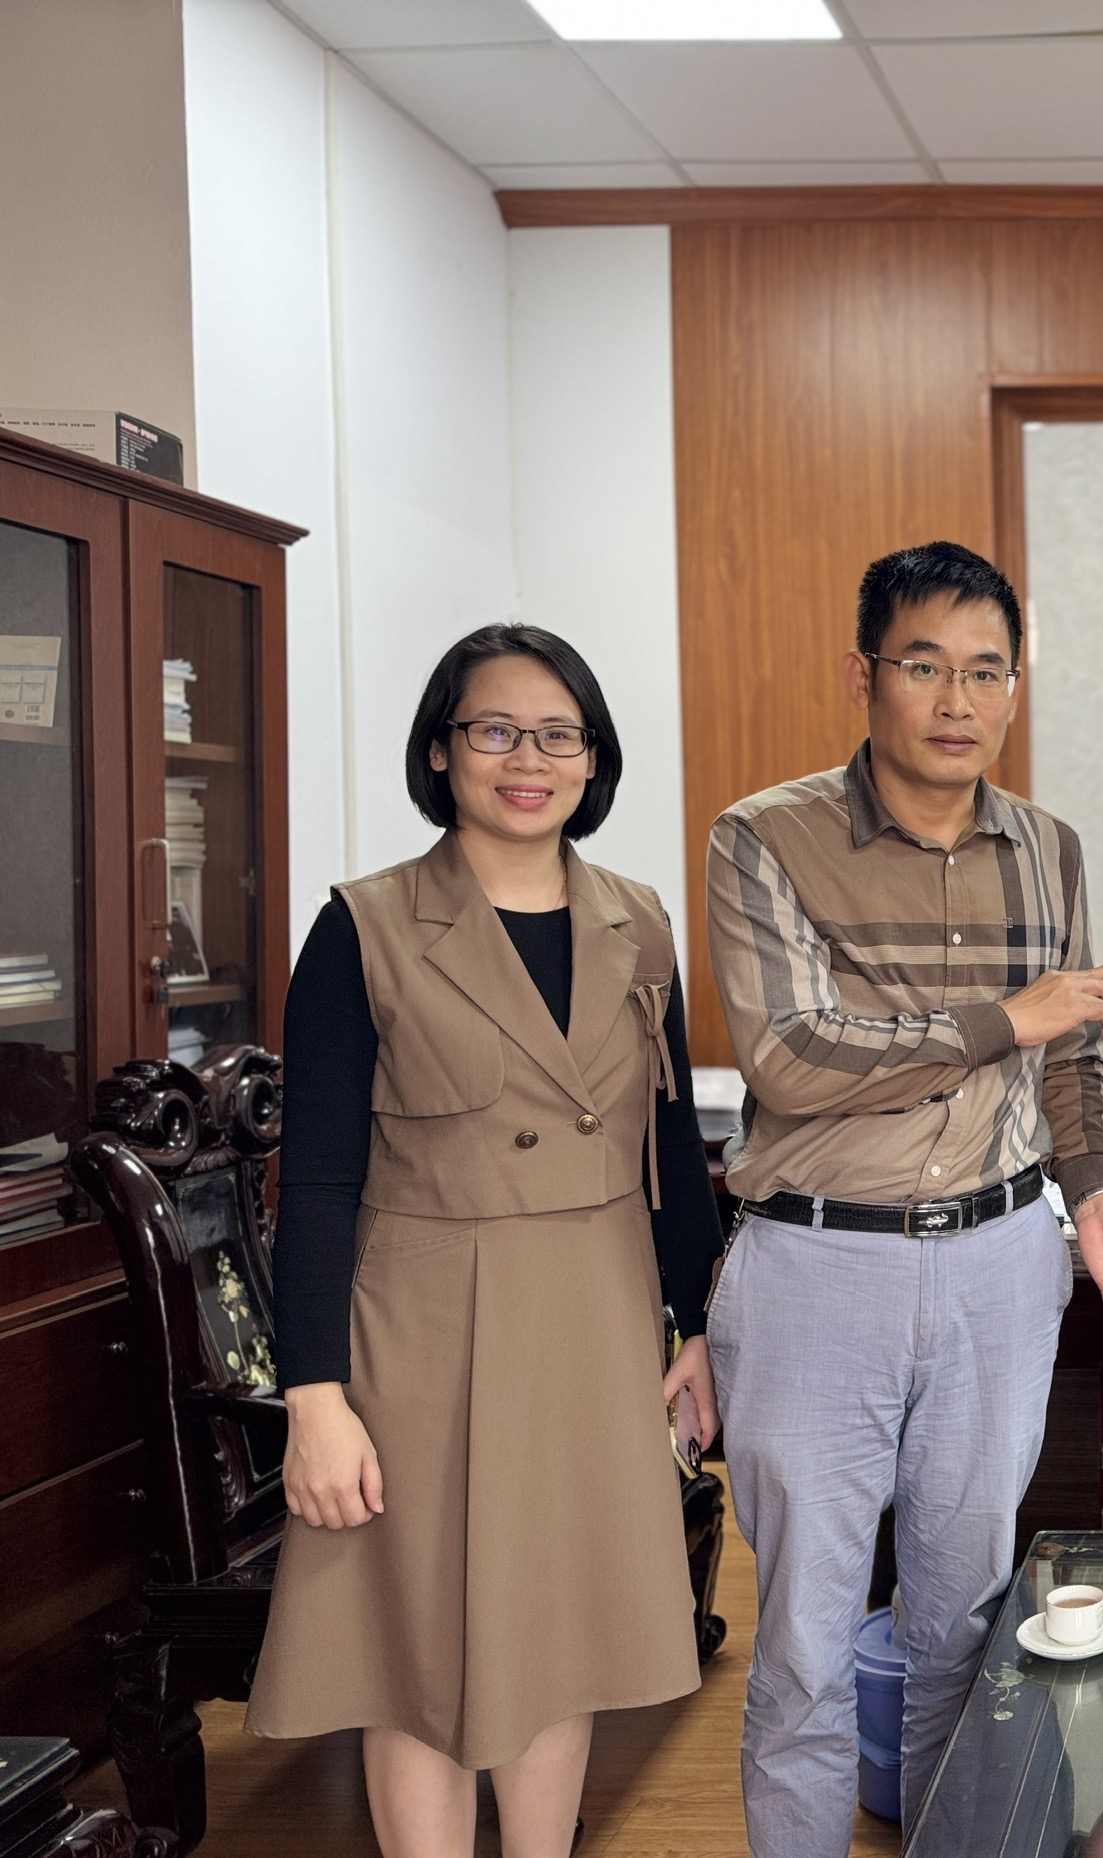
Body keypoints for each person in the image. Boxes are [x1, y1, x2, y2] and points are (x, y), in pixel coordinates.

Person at [704, 540, 1103, 1854]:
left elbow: (1071, 1059)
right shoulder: (765, 835)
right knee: (803, 1641)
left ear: (1015, 685)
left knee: (961, 1623)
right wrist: (1002, 1017)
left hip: (1000, 1265)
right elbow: (791, 1056)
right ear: (865, 676)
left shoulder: (1049, 848)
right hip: (817, 1267)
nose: (957, 700)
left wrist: (1096, 1194)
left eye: (986, 671)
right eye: (925, 666)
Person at [247, 626, 724, 1858]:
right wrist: (314, 1397)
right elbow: (319, 1182)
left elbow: (669, 1146)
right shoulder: (365, 926)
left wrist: (699, 1325)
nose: (529, 760)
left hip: (595, 1319)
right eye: (496, 730)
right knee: (416, 1650)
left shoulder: (639, 921)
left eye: (560, 735)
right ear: (440, 749)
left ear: (593, 758)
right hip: (423, 1336)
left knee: (559, 1637)